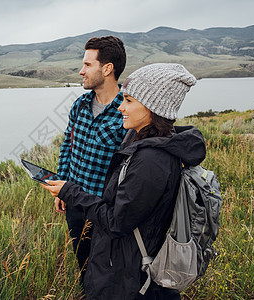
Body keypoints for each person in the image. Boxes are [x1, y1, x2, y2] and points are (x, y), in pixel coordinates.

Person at [44, 63, 205, 299]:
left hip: (129, 278)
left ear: (153, 107)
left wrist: (71, 191)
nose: (120, 107)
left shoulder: (152, 161)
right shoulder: (140, 139)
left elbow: (117, 222)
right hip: (120, 265)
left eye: (129, 100)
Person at [56, 36, 127, 279]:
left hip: (104, 211)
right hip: (74, 205)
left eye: (88, 65)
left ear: (107, 69)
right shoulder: (80, 105)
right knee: (83, 265)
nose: (81, 71)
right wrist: (61, 186)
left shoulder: (126, 112)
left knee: (107, 272)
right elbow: (68, 146)